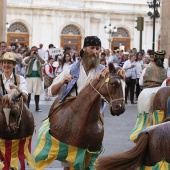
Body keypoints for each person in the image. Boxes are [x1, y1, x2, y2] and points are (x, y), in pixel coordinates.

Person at [48, 36, 125, 170]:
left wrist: (119, 70)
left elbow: (114, 74)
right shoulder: (71, 69)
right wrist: (62, 81)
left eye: (97, 48)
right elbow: (51, 91)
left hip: (93, 117)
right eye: (92, 48)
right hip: (71, 115)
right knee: (69, 160)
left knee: (89, 158)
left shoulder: (103, 71)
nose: (95, 51)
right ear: (84, 49)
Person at [22, 46, 46, 112]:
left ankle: (37, 106)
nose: (34, 52)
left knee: (37, 93)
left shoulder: (39, 58)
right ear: (30, 51)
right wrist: (30, 56)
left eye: (36, 50)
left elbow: (44, 62)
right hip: (29, 77)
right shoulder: (27, 58)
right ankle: (27, 106)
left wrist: (38, 56)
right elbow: (24, 63)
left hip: (38, 77)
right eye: (33, 50)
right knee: (28, 93)